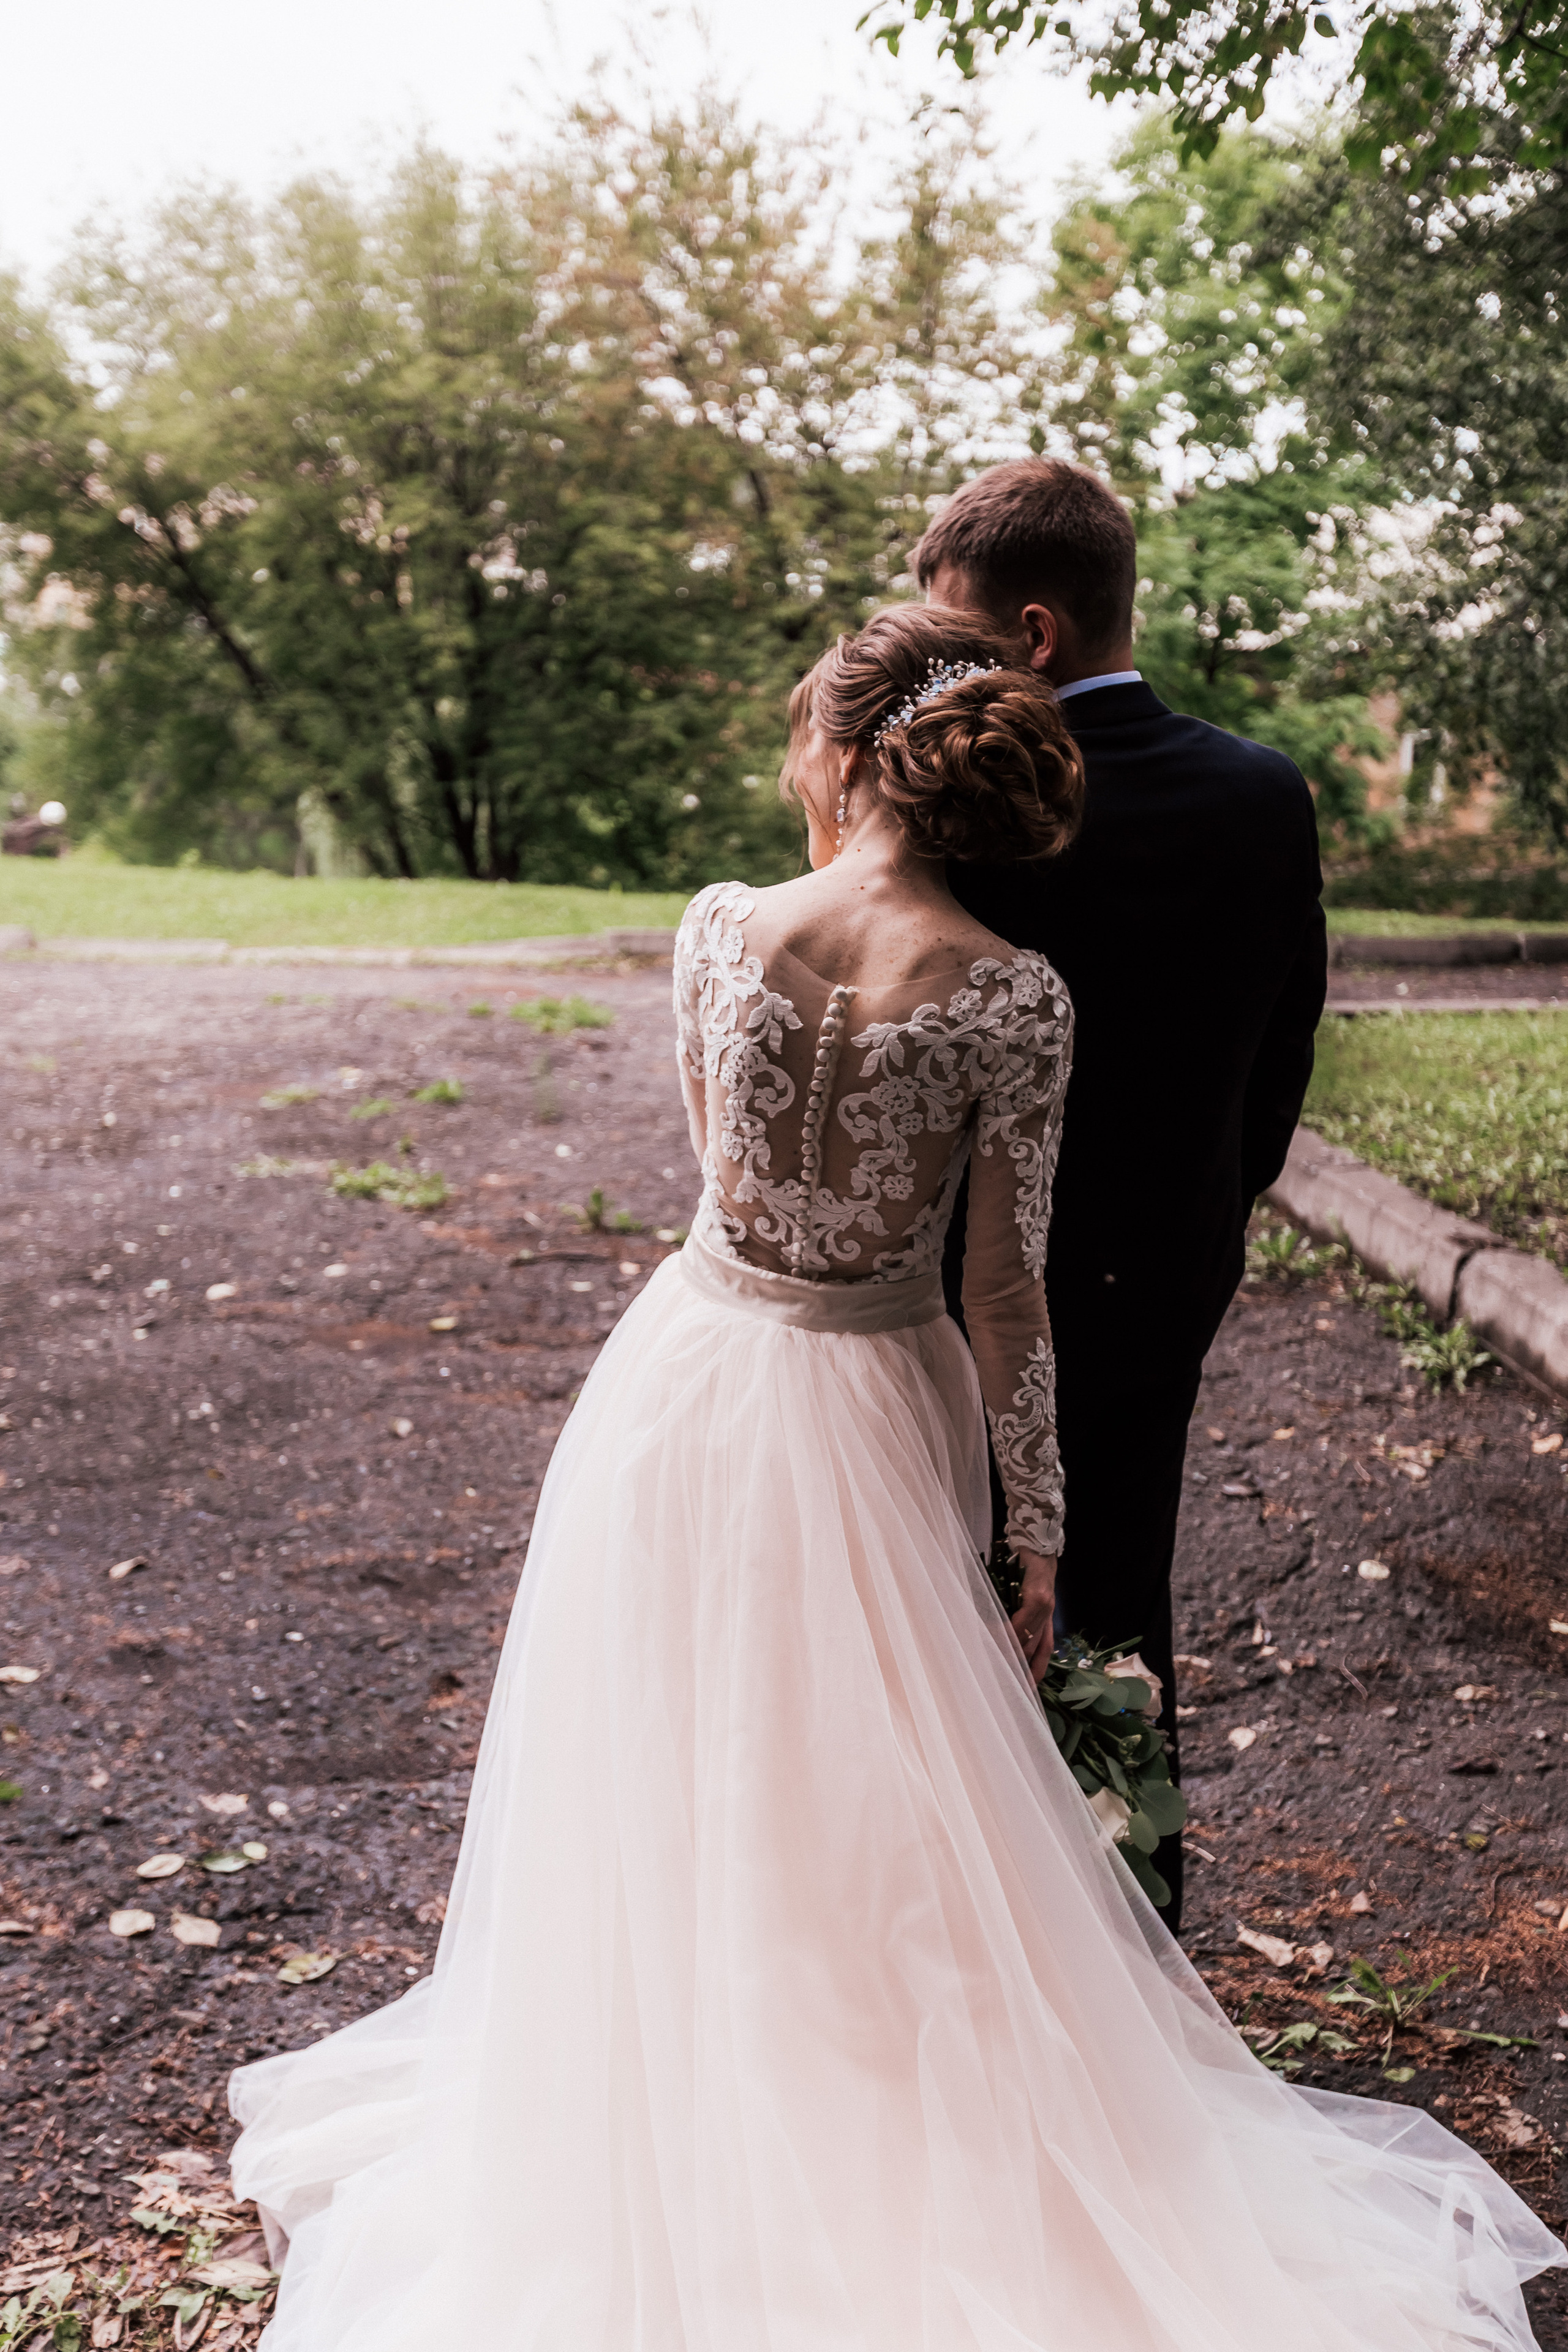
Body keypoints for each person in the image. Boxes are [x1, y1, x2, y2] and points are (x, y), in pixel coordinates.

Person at [228, 605, 1558, 2351]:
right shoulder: (1012, 993)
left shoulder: (719, 930)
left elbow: (720, 1171)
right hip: (874, 1387)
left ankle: (689, 2079)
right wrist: (1038, 1533)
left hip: (690, 1375)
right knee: (872, 1766)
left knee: (684, 1734)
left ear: (844, 753)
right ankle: (853, 2080)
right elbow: (1002, 1289)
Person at [921, 459, 1329, 1931]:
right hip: (1166, 1266)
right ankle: (1125, 1925)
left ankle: (963, 1922)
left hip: (972, 1283)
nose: (943, 679)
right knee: (1112, 1583)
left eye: (958, 641)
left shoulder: (975, 806)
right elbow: (1285, 1036)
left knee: (950, 1587)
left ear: (1032, 635)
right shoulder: (1261, 792)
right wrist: (1212, 1208)